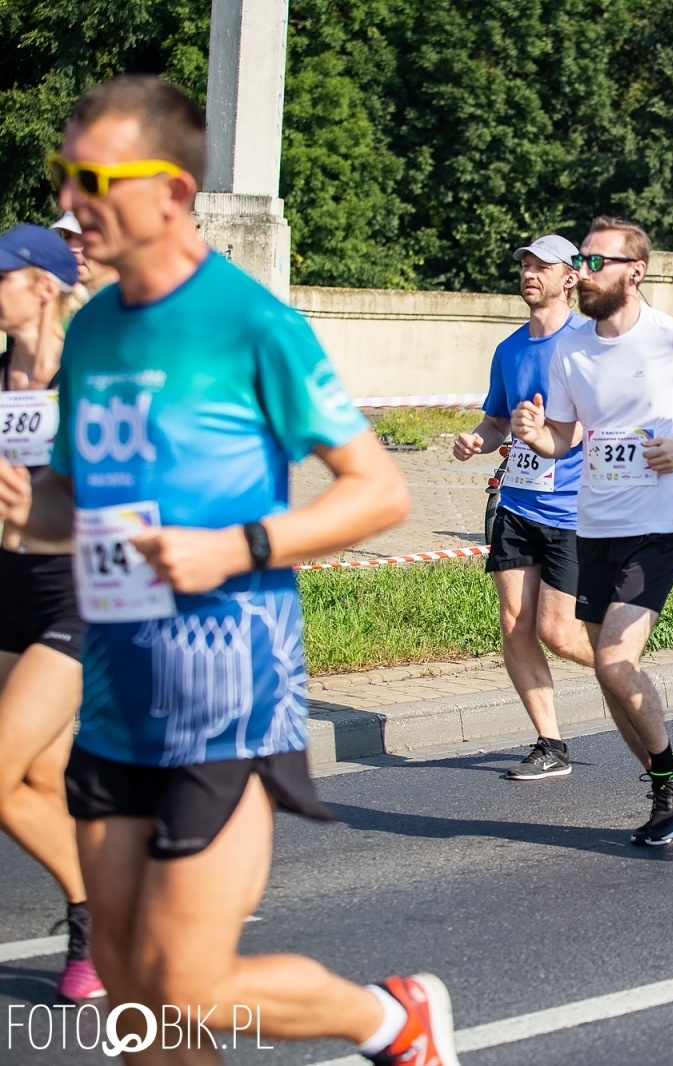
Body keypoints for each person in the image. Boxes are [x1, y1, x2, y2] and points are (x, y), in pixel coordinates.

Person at [1, 76, 459, 1064]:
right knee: (131, 995)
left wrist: (238, 546)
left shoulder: (253, 326)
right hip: (118, 691)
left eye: (90, 178)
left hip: (225, 691)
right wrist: (21, 506)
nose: (70, 200)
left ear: (166, 192)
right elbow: (68, 509)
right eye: (60, 174)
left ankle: (393, 1018)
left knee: (191, 981)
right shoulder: (93, 330)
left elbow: (378, 492)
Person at [511, 215, 673, 846]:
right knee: (608, 669)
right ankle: (667, 786)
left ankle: (671, 772)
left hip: (659, 525)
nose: (583, 273)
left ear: (634, 272)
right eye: (582, 262)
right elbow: (565, 437)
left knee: (615, 660)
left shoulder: (672, 338)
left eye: (596, 262)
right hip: (595, 526)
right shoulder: (571, 348)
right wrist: (541, 436)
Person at [0, 224, 103, 1002]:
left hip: (77, 594)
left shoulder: (91, 375)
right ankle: (95, 900)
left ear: (40, 283)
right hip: (7, 591)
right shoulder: (3, 377)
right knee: (25, 779)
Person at [453, 235, 594, 780]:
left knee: (558, 632)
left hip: (573, 509)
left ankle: (626, 672)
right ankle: (550, 744)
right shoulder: (510, 349)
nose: (530, 273)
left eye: (543, 266)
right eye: (526, 265)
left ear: (570, 278)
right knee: (514, 622)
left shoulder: (588, 342)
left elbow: (587, 423)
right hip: (517, 504)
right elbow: (496, 421)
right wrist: (475, 440)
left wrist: (548, 437)